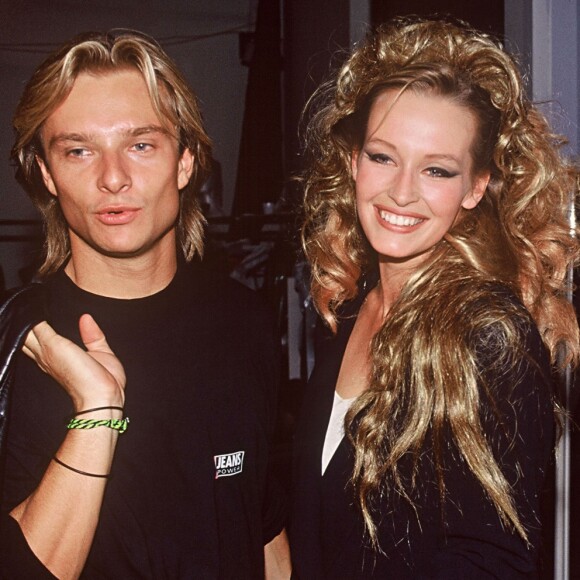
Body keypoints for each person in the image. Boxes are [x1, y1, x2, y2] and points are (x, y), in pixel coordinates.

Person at [290, 18, 579, 578]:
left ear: (474, 188)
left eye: (437, 170)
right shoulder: (351, 305)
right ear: (353, 162)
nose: (401, 191)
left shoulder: (489, 335)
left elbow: (490, 561)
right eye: (382, 157)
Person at [0, 30, 290, 578]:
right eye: (79, 151)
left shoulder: (244, 320)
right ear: (46, 174)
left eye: (141, 145)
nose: (113, 178)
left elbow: (258, 523)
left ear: (184, 162)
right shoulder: (17, 342)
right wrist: (97, 412)